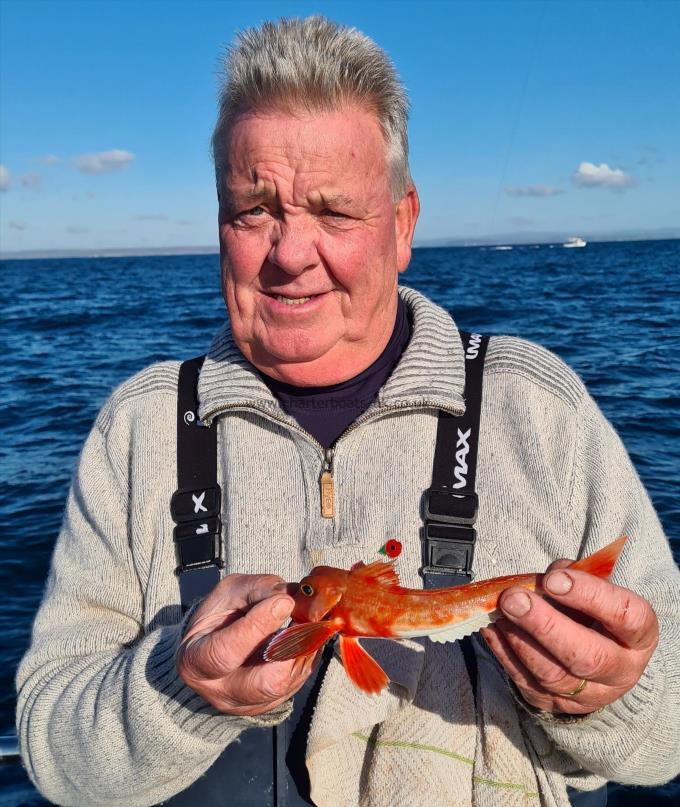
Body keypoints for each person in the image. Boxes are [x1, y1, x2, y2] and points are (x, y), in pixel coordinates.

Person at [16, 16, 679, 807]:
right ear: (218, 222)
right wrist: (177, 688)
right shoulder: (141, 428)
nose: (290, 253)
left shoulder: (541, 408)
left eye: (334, 212)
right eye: (252, 209)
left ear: (402, 224)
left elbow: (666, 738)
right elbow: (55, 756)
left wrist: (608, 694)